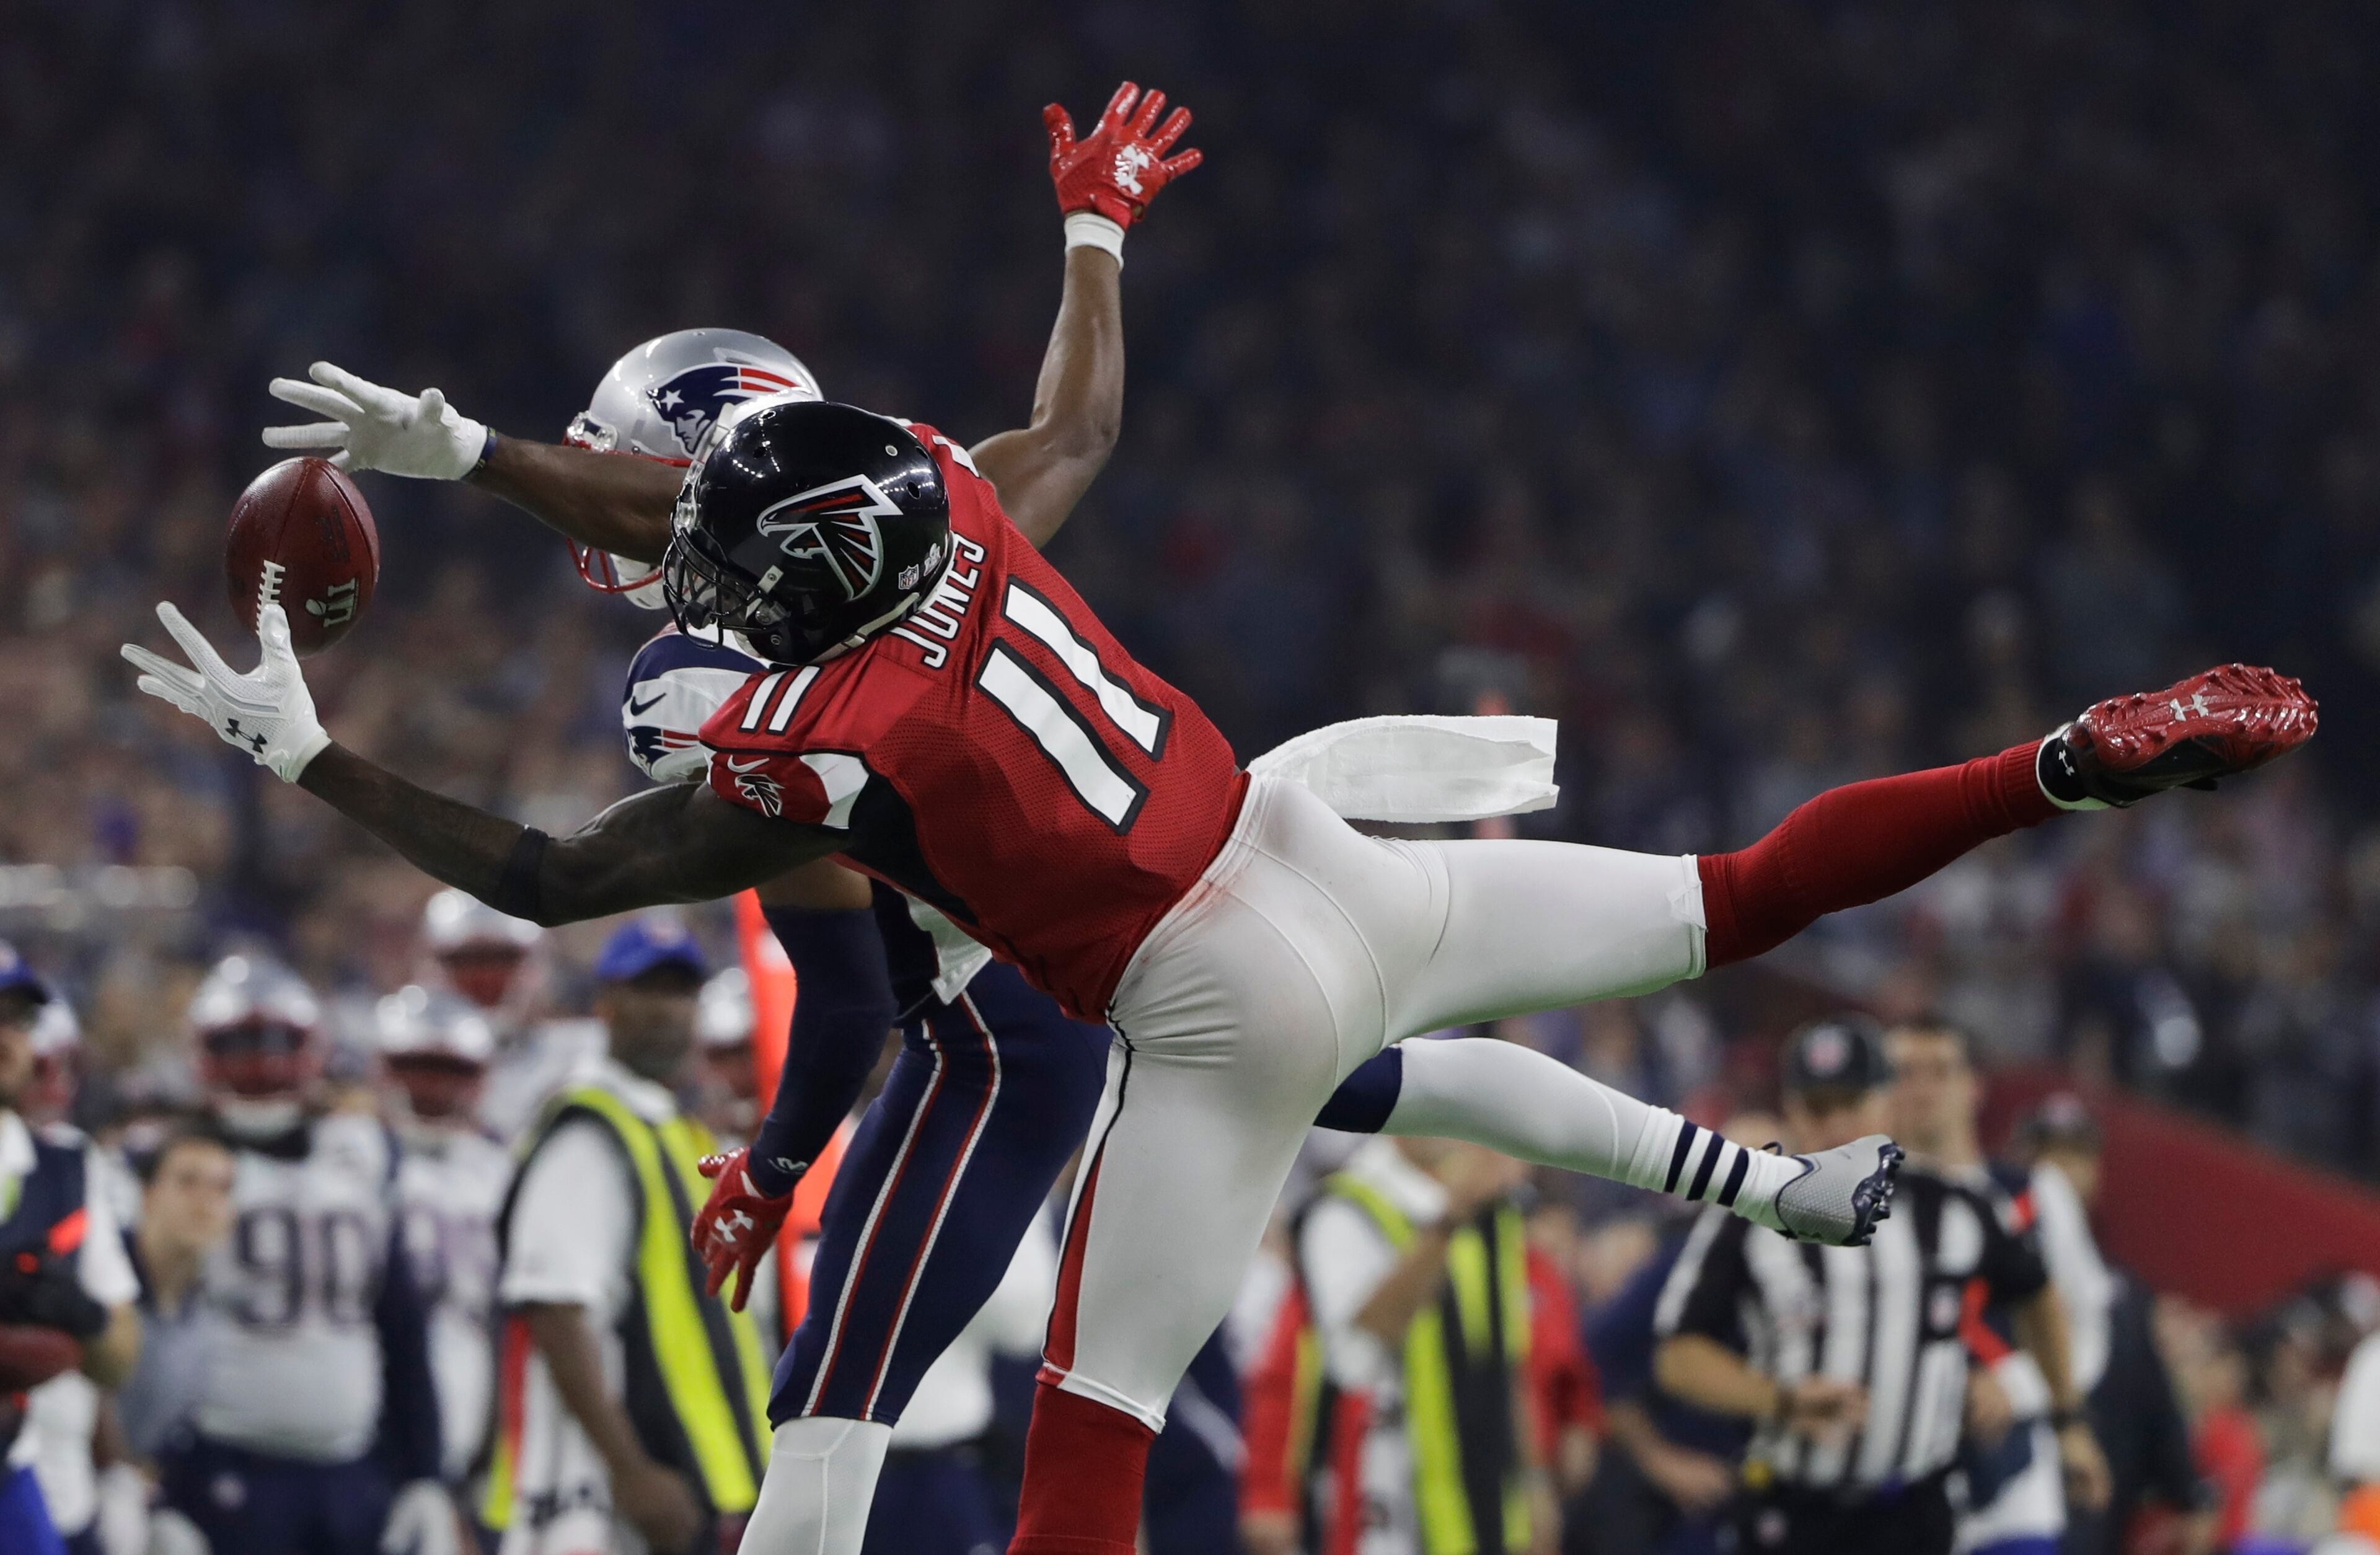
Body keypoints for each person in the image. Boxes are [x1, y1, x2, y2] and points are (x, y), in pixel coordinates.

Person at [133, 104, 2317, 1555]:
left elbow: (549, 867)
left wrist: (310, 752)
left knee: (1089, 1433)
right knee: (1739, 896)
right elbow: (1062, 415)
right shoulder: (959, 510)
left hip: (1202, 1005)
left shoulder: (815, 729)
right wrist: (1092, 219)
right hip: (1327, 848)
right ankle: (2054, 765)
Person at [1654, 1018, 2113, 1555]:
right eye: (1819, 1107)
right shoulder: (1748, 1213)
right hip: (1793, 1508)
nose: (1837, 1126)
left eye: (1852, 1104)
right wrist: (1777, 1399)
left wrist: (2066, 1417)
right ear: (1793, 1111)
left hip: (1913, 1509)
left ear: (1884, 1106)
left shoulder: (1955, 1206)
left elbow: (2039, 1294)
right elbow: (1678, 1355)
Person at [480, 915, 772, 1555]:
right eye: (648, 990)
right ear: (606, 1004)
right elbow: (554, 1307)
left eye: (680, 991)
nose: (668, 1010)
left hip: (692, 1473)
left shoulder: (671, 1126)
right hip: (613, 1489)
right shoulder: (591, 1130)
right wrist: (631, 1470)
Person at [152, 954, 454, 1555]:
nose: (260, 1060)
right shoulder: (169, 1164)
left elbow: (400, 1322)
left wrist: (424, 1469)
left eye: (276, 1042)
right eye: (239, 1042)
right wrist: (157, 1482)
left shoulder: (363, 1154)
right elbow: (148, 1336)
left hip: (351, 1466)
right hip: (223, 1462)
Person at [1254, 1134, 1549, 1555]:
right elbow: (1356, 1357)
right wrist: (1451, 1217)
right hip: (1378, 1504)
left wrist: (1533, 1482)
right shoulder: (1344, 1206)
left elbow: (1506, 1364)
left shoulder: (1492, 1213)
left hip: (1475, 1506)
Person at [1886, 1018, 2092, 1555]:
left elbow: (2088, 1320)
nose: (1923, 1087)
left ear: (1974, 1084)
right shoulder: (1859, 1204)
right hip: (1891, 1479)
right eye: (1905, 1072)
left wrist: (2020, 1384)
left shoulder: (2033, 1195)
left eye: (1941, 1070)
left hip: (2013, 1480)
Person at [2010, 1099, 2211, 1555]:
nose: (2062, 1170)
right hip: (2004, 1499)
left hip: (2090, 1513)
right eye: (2049, 1153)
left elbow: (2154, 1401)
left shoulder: (2121, 1296)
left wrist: (2189, 1493)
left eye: (2077, 1155)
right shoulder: (1982, 1261)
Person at [0, 944, 143, 1555]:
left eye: (17, 1017)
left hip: (17, 1467)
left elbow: (118, 1355)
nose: (5, 1034)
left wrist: (78, 1312)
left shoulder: (66, 1166)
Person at [377, 986, 508, 1487]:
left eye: (450, 1070)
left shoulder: (500, 1170)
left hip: (471, 1399)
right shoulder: (353, 1158)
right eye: (416, 1066)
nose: (431, 1086)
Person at [417, 890, 602, 1143]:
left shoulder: (586, 1050)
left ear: (538, 962)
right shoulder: (407, 1056)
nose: (484, 978)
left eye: (502, 959)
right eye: (466, 962)